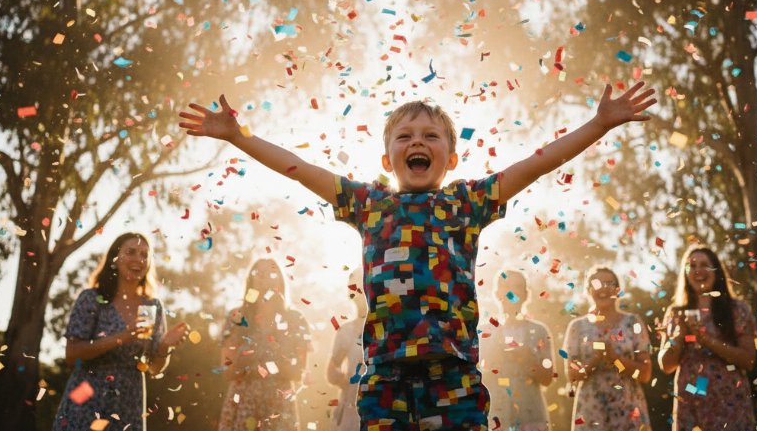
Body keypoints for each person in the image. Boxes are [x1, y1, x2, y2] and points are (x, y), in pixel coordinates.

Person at [179, 81, 655, 429]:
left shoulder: (466, 203)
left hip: (454, 376)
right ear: (388, 159)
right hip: (384, 375)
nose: (418, 142)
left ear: (450, 156)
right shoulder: (369, 204)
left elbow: (537, 162)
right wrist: (239, 138)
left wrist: (598, 124)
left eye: (431, 136)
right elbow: (302, 169)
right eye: (404, 137)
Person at [52, 232, 189, 431]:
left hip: (128, 405)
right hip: (86, 399)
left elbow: (153, 368)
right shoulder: (92, 299)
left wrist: (165, 346)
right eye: (131, 252)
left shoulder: (151, 306)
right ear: (115, 259)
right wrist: (121, 338)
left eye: (144, 255)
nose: (138, 259)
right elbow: (72, 355)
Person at [657, 245, 757, 431]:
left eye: (705, 264)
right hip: (691, 405)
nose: (698, 271)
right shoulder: (676, 313)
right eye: (692, 266)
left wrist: (706, 340)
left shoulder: (737, 309)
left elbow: (749, 360)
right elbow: (666, 365)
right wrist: (679, 334)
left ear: (716, 270)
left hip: (730, 404)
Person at [218, 257, 312, 431]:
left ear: (280, 280)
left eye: (271, 273)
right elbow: (227, 371)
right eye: (259, 274)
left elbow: (298, 372)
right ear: (251, 280)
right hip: (243, 404)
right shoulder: (236, 318)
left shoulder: (295, 319)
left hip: (279, 405)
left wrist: (260, 364)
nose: (265, 278)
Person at [563, 267, 652, 430]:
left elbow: (645, 374)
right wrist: (595, 360)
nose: (602, 288)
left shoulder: (633, 322)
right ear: (589, 290)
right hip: (592, 412)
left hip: (628, 411)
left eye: (608, 283)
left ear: (617, 290)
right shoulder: (577, 327)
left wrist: (616, 360)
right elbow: (572, 376)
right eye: (596, 284)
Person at [479, 270, 554, 431]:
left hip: (531, 416)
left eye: (517, 287)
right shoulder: (485, 332)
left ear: (526, 294)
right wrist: (493, 356)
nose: (511, 291)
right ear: (497, 293)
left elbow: (547, 379)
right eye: (505, 286)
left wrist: (529, 358)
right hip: (496, 417)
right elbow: (478, 376)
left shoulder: (539, 331)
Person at [326, 270, 368, 431]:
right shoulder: (346, 331)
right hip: (351, 405)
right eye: (354, 289)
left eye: (361, 289)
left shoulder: (386, 325)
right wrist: (341, 379)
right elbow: (332, 368)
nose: (358, 294)